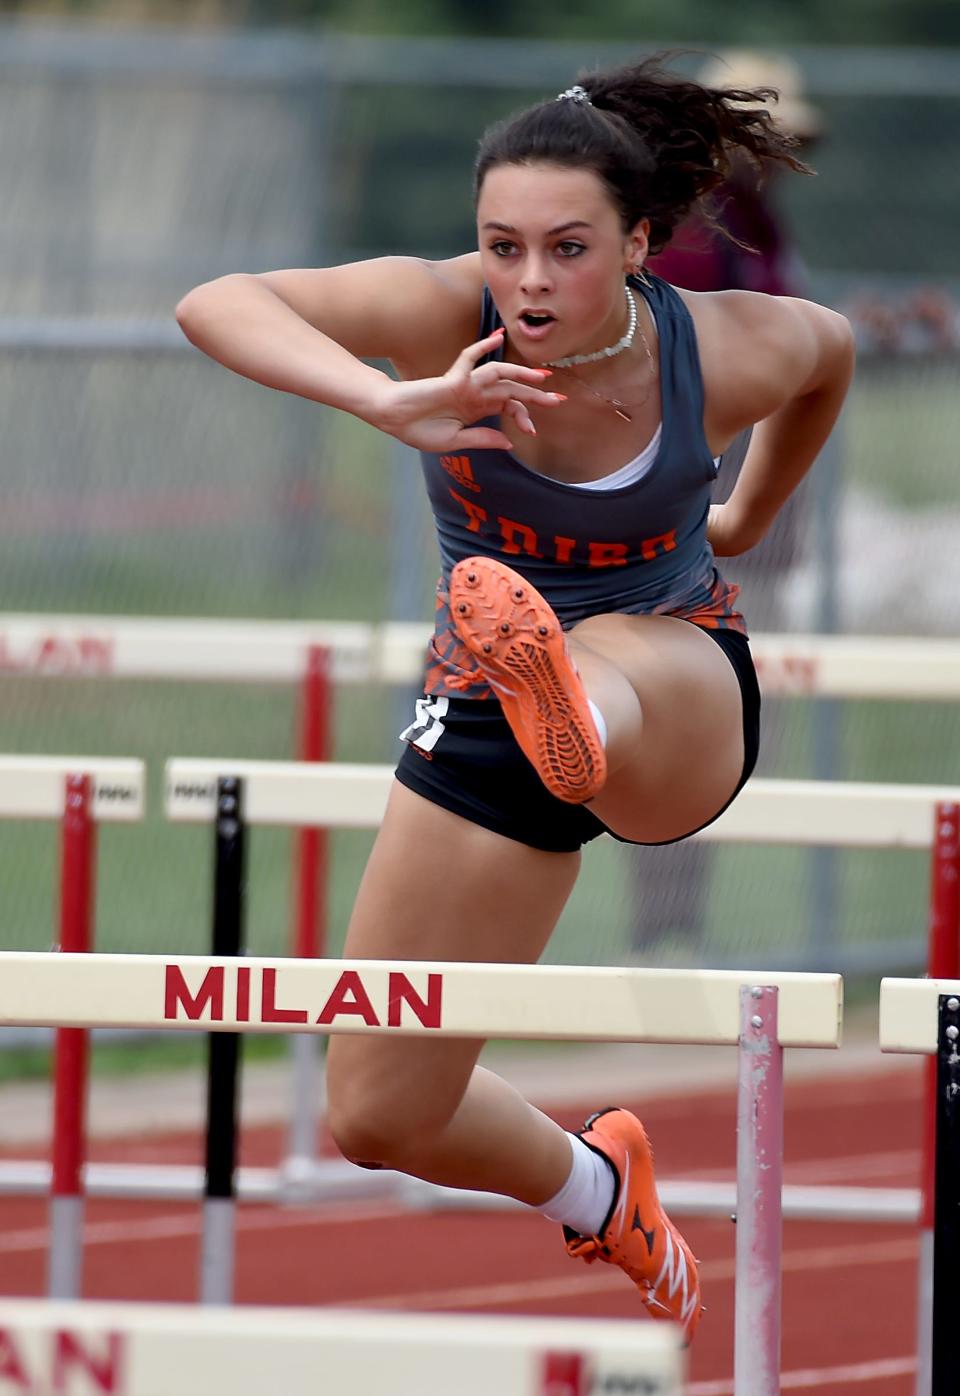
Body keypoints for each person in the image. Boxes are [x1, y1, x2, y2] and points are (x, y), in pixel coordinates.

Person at [175, 54, 854, 1343]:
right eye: (503, 246)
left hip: (674, 677)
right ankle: (600, 1184)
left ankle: (573, 709)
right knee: (377, 1109)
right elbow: (215, 301)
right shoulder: (442, 316)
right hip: (490, 697)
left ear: (644, 242)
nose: (528, 282)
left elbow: (834, 356)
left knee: (603, 677)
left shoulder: (724, 347)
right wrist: (386, 399)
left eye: (568, 248)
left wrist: (749, 514)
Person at [629, 52, 824, 958]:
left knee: (735, 719)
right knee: (685, 713)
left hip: (746, 502)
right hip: (697, 480)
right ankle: (664, 924)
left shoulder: (749, 218)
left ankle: (688, 922)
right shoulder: (686, 229)